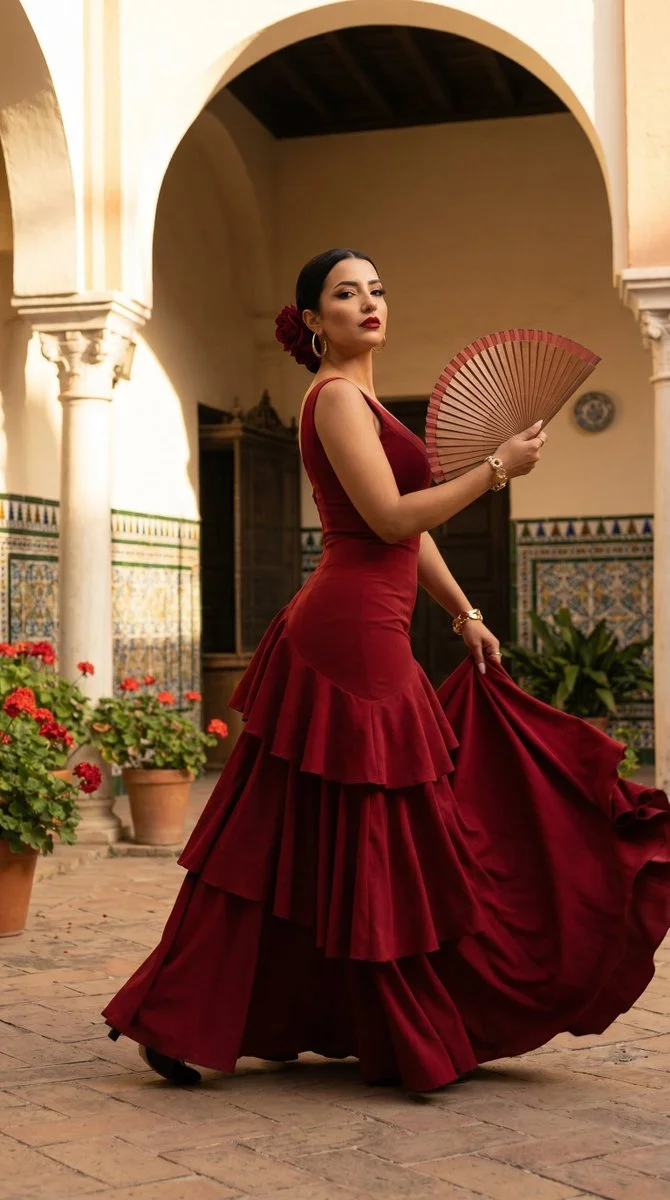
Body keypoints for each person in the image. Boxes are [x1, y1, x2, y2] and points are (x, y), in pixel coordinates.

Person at [104, 248, 670, 1093]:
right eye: (344, 293)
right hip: (347, 637)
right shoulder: (333, 398)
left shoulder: (365, 400)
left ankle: (187, 1013)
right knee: (359, 831)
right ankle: (365, 1024)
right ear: (312, 320)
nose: (366, 303)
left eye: (375, 290)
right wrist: (495, 470)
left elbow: (410, 535)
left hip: (366, 627)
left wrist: (463, 611)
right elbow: (388, 514)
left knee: (284, 834)